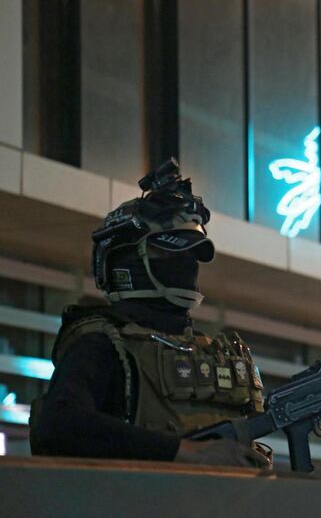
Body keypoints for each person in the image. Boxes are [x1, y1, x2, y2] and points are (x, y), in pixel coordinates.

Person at [29, 160, 271, 469]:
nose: (187, 264)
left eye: (191, 254)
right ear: (125, 260)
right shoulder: (102, 342)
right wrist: (186, 452)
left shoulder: (213, 351)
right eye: (170, 252)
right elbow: (60, 424)